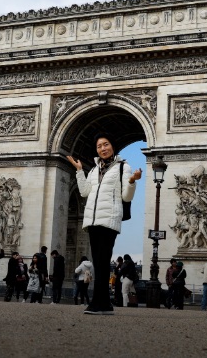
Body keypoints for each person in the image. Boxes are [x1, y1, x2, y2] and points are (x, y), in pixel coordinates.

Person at [67, 133, 141, 315]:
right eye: (99, 146)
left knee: (100, 262)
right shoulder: (92, 170)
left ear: (113, 146)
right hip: (92, 220)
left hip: (108, 220)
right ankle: (105, 304)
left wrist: (132, 181)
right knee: (98, 262)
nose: (103, 149)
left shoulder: (124, 167)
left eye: (106, 144)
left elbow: (126, 196)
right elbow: (84, 192)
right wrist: (79, 170)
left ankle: (97, 303)